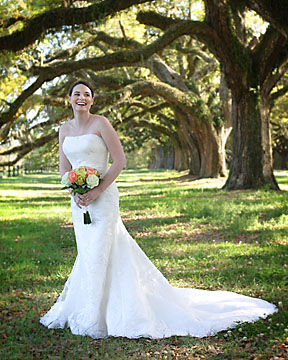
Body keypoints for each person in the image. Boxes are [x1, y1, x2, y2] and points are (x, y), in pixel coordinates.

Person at [40, 80, 277, 339]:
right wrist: (75, 191)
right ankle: (89, 308)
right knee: (88, 251)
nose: (81, 98)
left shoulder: (101, 124)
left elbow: (119, 160)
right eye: (77, 94)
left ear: (93, 100)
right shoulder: (64, 129)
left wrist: (98, 190)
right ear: (70, 99)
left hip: (103, 197)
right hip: (79, 201)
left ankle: (102, 315)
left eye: (87, 94)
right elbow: (64, 167)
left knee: (102, 247)